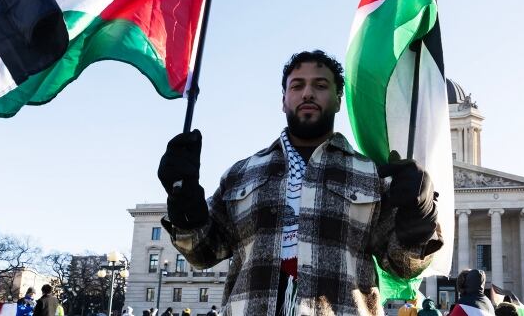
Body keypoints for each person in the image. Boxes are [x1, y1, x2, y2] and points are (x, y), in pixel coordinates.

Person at [158, 50, 443, 315]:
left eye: (320, 85)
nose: (308, 93)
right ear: (284, 99)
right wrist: (185, 205)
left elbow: (403, 265)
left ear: (338, 99)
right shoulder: (241, 174)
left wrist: (420, 218)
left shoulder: (371, 175)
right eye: (297, 86)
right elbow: (203, 252)